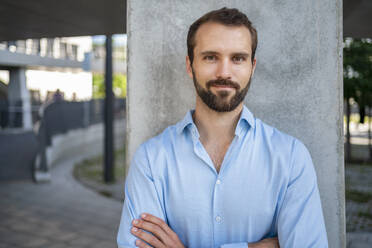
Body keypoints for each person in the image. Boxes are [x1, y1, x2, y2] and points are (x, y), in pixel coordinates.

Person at [117, 7, 328, 248]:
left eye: (237, 58)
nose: (224, 72)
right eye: (210, 57)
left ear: (252, 66)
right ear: (190, 65)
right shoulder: (151, 160)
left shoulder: (291, 158)